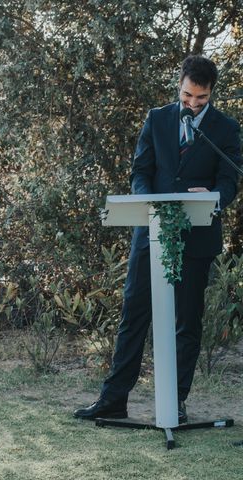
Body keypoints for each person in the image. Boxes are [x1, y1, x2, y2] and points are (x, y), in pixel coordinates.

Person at [74, 55, 241, 422]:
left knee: (187, 322)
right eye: (187, 96)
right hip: (150, 234)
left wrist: (212, 196)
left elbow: (230, 181)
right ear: (178, 85)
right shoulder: (156, 118)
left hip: (196, 238)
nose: (192, 104)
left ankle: (175, 403)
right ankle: (113, 400)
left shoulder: (225, 129)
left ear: (211, 92)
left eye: (201, 98)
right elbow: (141, 171)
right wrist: (147, 201)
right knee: (134, 315)